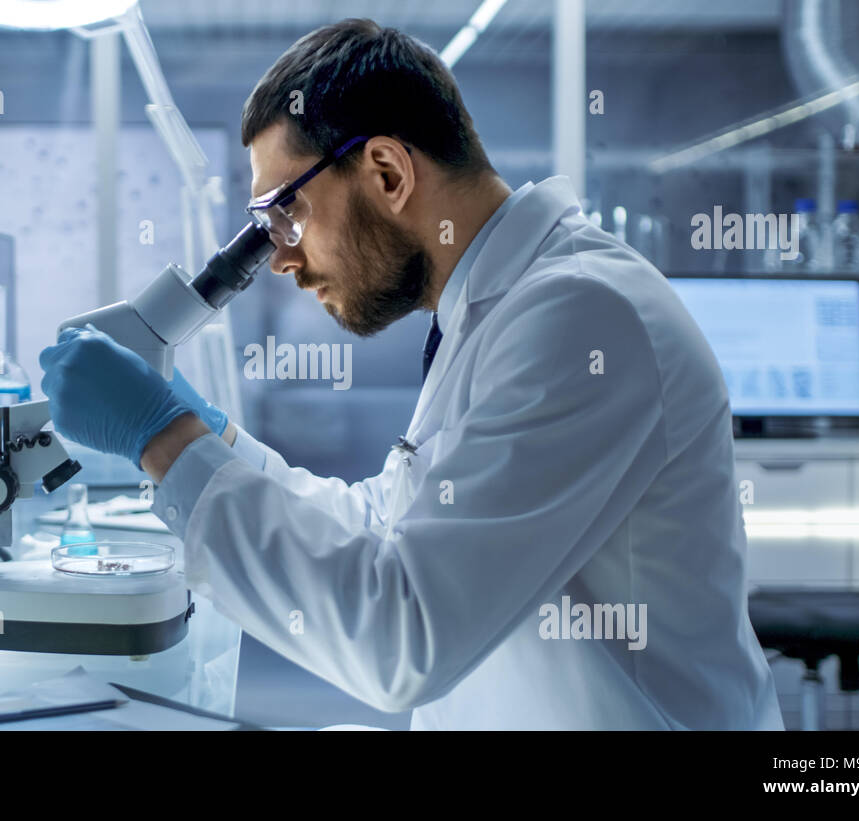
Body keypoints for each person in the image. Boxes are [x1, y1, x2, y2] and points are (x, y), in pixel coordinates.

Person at [39, 18, 783, 730]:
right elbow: (387, 528)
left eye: (287, 216)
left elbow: (404, 636)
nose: (284, 260)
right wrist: (210, 438)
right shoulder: (493, 309)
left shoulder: (582, 315)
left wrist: (163, 440)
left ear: (388, 171)